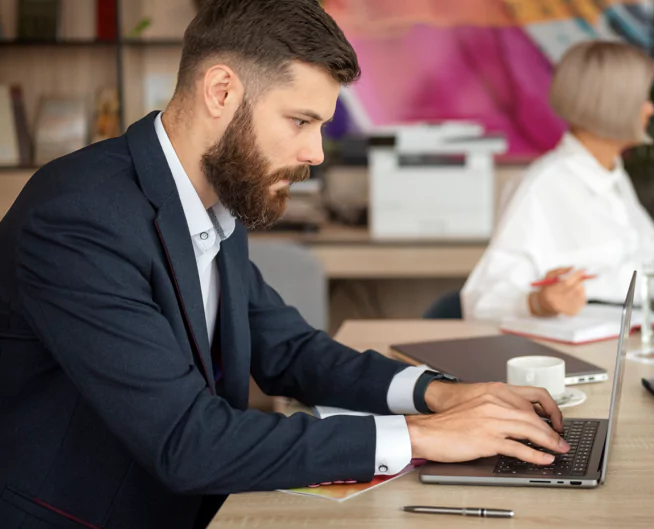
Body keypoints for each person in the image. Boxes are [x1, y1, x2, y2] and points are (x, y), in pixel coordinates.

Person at [0, 2, 568, 528]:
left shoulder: (211, 197)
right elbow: (187, 442)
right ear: (221, 91)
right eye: (300, 121)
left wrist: (442, 395)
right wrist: (423, 436)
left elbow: (291, 351)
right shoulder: (78, 220)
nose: (316, 153)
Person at [461, 41, 654, 322]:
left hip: (638, 341)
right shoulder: (543, 187)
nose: (651, 109)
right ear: (612, 104)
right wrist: (539, 302)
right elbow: (481, 301)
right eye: (643, 99)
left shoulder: (611, 177)